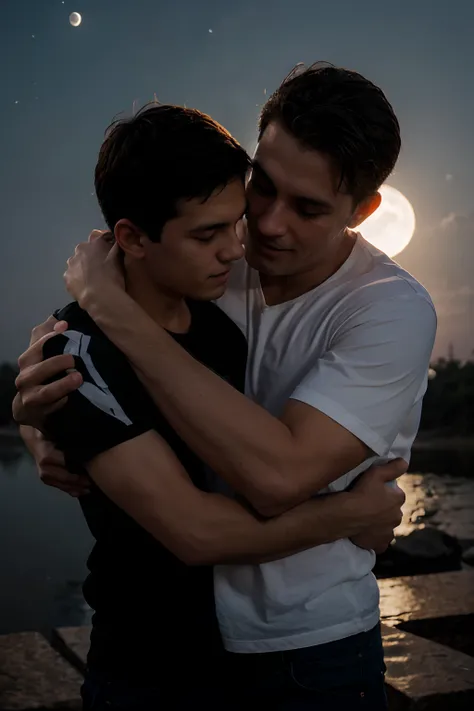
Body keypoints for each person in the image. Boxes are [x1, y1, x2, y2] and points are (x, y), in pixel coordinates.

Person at [13, 63, 435, 709]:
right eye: (261, 187)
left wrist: (109, 307)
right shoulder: (210, 265)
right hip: (169, 643)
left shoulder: (389, 310)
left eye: (308, 207)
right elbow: (67, 352)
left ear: (365, 209)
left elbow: (278, 474)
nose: (264, 225)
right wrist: (36, 419)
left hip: (310, 646)